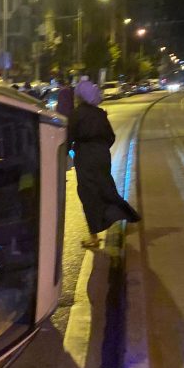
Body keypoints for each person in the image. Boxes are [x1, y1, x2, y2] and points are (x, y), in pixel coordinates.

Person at [68, 79, 140, 249]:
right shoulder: (100, 113)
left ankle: (94, 236)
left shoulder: (76, 114)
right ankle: (122, 215)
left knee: (88, 194)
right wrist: (100, 148)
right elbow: (111, 137)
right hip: (102, 155)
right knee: (106, 188)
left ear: (79, 96)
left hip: (85, 157)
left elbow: (68, 137)